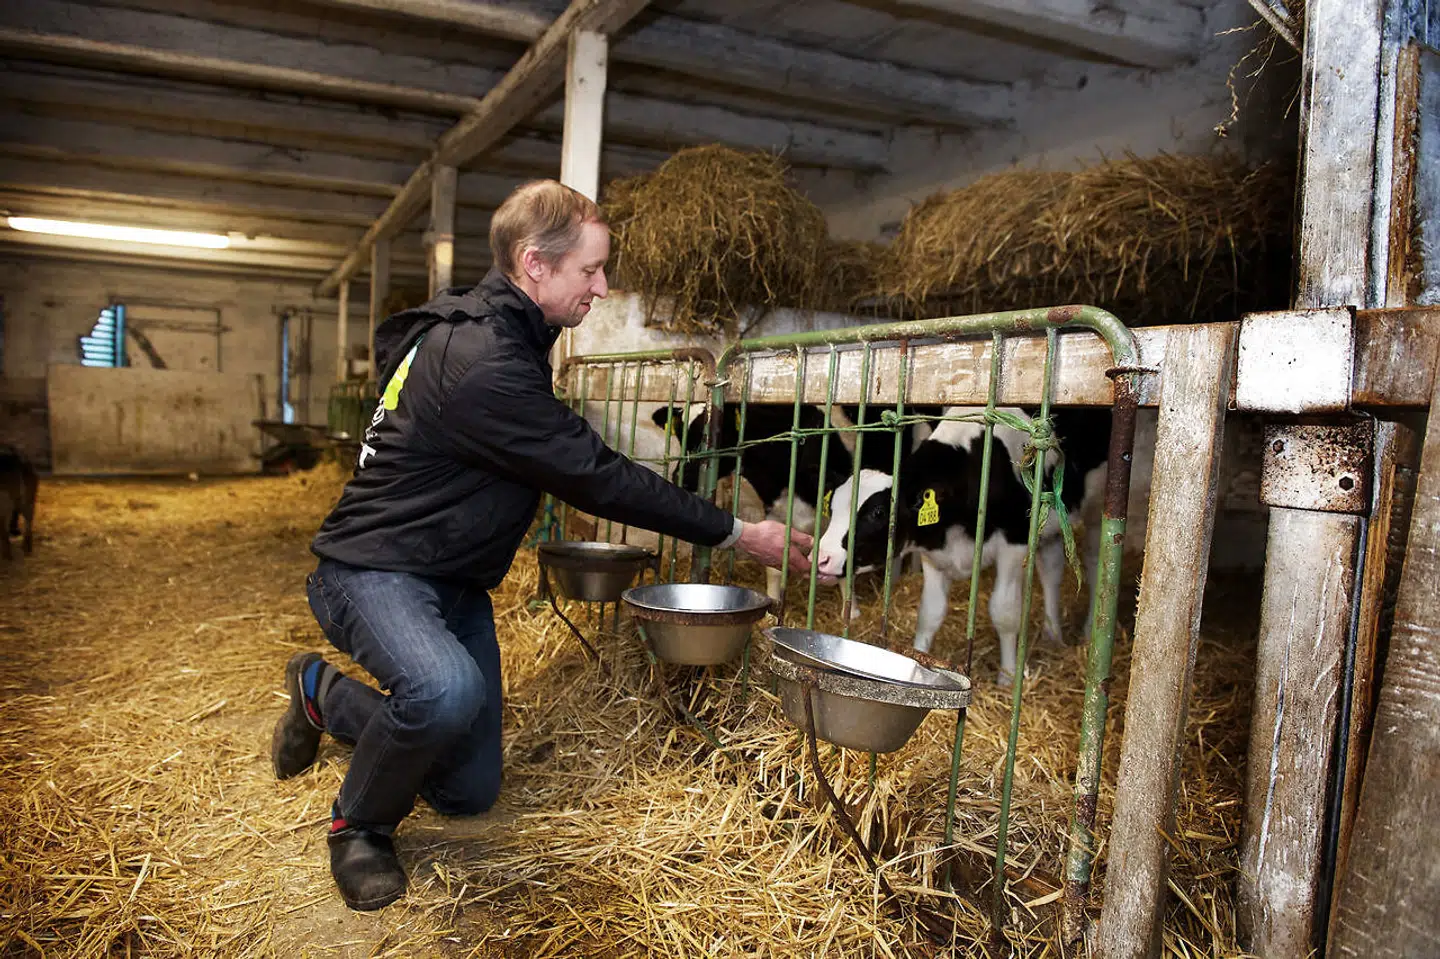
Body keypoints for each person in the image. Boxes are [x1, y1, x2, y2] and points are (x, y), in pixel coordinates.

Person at [271, 180, 819, 912]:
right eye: (590, 270)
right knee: (444, 689)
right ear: (534, 263)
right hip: (373, 570)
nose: (603, 286)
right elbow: (597, 475)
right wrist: (740, 532)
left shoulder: (500, 336)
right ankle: (359, 824)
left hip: (448, 575)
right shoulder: (485, 362)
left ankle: (321, 694)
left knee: (466, 792)